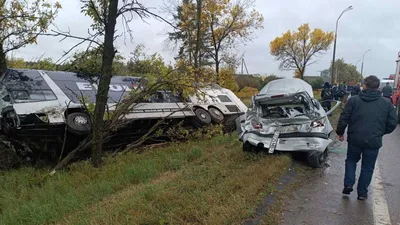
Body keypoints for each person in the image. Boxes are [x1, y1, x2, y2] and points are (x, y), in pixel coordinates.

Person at [336, 75, 397, 200]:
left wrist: (340, 132)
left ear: (364, 85)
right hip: (373, 140)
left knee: (351, 161)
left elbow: (344, 117)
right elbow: (392, 122)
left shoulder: (354, 100)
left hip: (355, 138)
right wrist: (380, 132)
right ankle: (362, 193)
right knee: (368, 167)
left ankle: (348, 184)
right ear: (378, 87)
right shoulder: (386, 103)